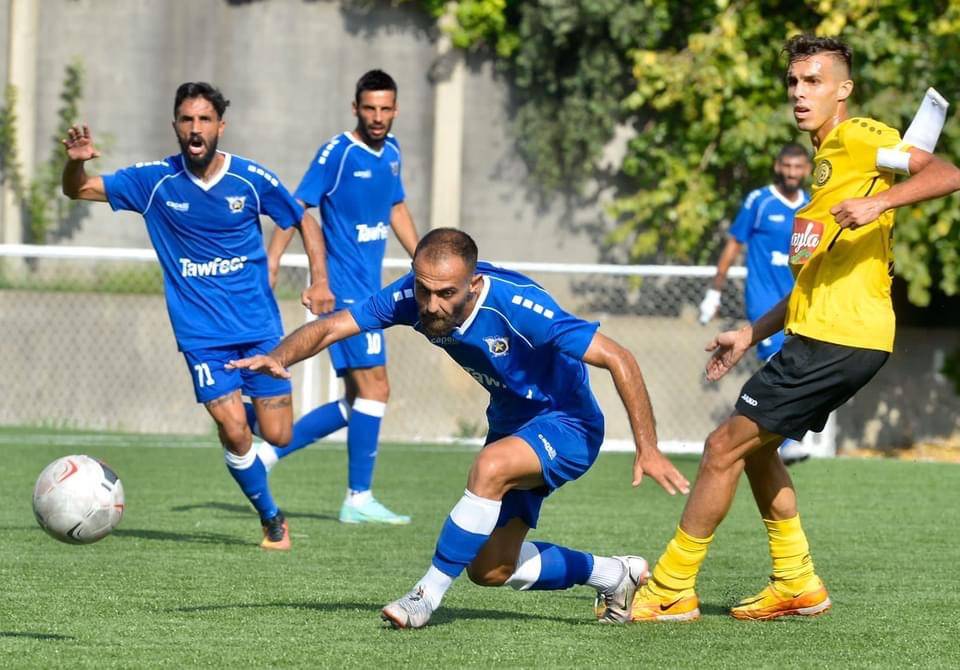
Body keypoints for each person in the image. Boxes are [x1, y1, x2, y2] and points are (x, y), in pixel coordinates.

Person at [628, 34, 960, 623]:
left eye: (815, 82)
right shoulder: (827, 170)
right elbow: (807, 284)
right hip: (821, 333)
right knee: (757, 451)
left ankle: (672, 587)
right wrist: (747, 335)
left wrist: (880, 206)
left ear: (843, 91)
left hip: (843, 336)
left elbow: (947, 173)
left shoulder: (863, 137)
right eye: (794, 82)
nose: (800, 93)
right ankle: (796, 582)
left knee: (721, 447)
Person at [229, 228, 690, 628]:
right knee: (491, 569)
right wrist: (280, 356)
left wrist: (647, 448)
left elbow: (619, 357)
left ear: (474, 284)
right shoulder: (414, 296)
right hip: (512, 425)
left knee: (489, 467)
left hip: (568, 425)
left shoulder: (521, 308)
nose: (431, 305)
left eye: (445, 293)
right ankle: (614, 575)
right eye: (424, 289)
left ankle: (423, 596)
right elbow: (333, 327)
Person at [61, 82, 331, 551]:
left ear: (220, 127)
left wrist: (320, 279)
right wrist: (76, 162)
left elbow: (303, 219)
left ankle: (239, 420)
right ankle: (271, 518)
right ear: (175, 126)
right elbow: (79, 189)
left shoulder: (249, 179)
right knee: (231, 429)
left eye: (204, 119)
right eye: (186, 120)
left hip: (259, 329)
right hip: (201, 335)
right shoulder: (154, 181)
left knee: (276, 433)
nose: (195, 128)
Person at [266, 69, 418, 525]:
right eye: (369, 108)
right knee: (377, 389)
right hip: (348, 290)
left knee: (359, 399)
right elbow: (296, 206)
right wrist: (271, 262)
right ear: (355, 108)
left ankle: (267, 453)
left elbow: (395, 207)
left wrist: (425, 259)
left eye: (385, 108)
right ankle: (358, 498)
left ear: (395, 110)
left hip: (372, 286)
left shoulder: (391, 152)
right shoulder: (337, 152)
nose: (377, 117)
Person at [699, 143, 813, 465]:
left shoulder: (811, 205)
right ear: (778, 166)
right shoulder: (759, 201)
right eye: (786, 167)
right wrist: (715, 291)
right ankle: (786, 439)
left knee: (797, 364)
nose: (792, 173)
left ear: (806, 169)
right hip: (763, 301)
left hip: (798, 300)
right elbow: (735, 243)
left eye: (798, 167)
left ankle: (764, 437)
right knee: (780, 358)